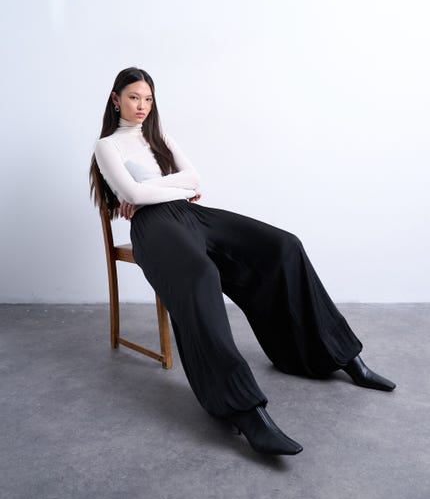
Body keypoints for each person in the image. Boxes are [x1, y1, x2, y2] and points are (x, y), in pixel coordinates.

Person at [90, 67, 396, 456]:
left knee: (284, 246)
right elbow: (134, 195)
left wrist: (154, 189)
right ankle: (244, 409)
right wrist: (170, 187)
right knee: (201, 275)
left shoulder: (159, 136)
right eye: (134, 97)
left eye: (148, 98)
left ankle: (340, 355)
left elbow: (193, 178)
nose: (142, 106)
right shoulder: (107, 146)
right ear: (116, 99)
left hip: (191, 216)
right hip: (154, 229)